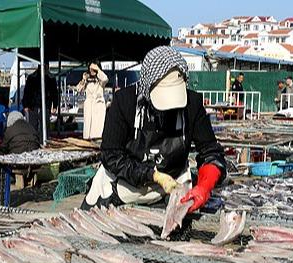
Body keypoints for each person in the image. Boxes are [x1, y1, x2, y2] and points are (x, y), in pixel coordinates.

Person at [82, 46, 226, 210]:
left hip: (171, 187)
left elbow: (211, 152)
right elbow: (111, 155)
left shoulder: (192, 105)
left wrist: (204, 187)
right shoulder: (124, 102)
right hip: (121, 185)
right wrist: (153, 175)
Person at [22, 67, 59, 138]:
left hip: (44, 104)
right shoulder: (32, 77)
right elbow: (27, 92)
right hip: (33, 105)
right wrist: (25, 104)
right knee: (33, 126)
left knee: (44, 126)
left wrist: (55, 105)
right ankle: (33, 141)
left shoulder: (50, 78)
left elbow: (54, 93)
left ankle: (44, 140)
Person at [77, 63, 109, 140]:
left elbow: (105, 79)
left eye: (94, 69)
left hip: (98, 106)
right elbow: (79, 89)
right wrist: (84, 79)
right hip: (89, 106)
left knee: (97, 128)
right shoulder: (87, 80)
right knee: (88, 127)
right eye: (90, 69)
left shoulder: (101, 80)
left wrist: (97, 69)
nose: (92, 71)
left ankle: (97, 140)